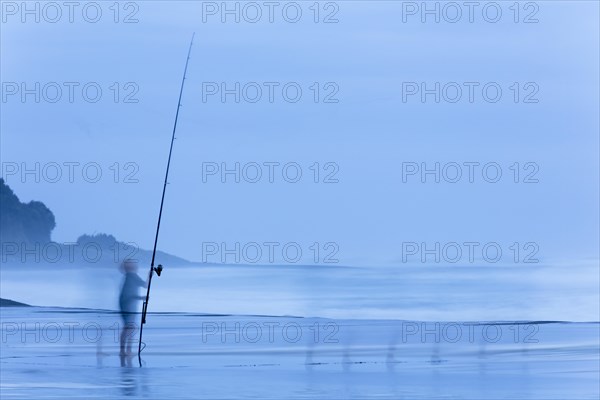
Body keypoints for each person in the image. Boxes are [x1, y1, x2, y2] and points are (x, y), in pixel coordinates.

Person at [118, 259, 146, 356]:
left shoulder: (127, 277)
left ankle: (124, 350)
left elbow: (128, 293)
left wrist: (139, 298)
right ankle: (127, 350)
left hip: (125, 304)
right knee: (130, 327)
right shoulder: (133, 276)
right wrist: (150, 275)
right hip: (129, 305)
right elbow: (145, 285)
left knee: (128, 327)